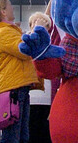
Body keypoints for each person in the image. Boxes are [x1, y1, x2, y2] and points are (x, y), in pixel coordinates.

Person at [0, 0, 41, 143]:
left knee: (21, 135)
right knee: (13, 137)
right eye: (9, 5)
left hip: (18, 87)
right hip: (14, 89)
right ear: (3, 11)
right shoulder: (4, 32)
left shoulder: (6, 31)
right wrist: (36, 31)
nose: (13, 8)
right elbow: (23, 50)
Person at [27, 11, 53, 143]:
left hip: (48, 99)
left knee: (45, 135)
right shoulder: (25, 41)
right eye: (35, 23)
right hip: (30, 99)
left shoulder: (52, 46)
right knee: (30, 134)